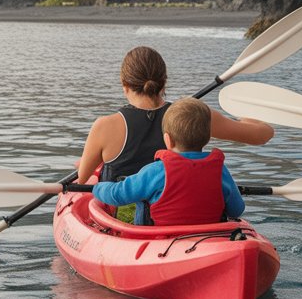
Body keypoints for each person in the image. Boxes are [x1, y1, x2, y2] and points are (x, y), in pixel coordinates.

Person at [76, 45, 274, 184]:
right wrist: (248, 118)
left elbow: (82, 179)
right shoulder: (193, 114)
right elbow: (263, 135)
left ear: (124, 85)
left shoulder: (105, 126)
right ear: (164, 82)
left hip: (127, 224)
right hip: (183, 217)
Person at [91, 97, 245, 227]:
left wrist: (97, 188)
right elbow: (237, 210)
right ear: (207, 138)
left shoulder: (155, 171)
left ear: (167, 140)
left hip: (160, 241)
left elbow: (118, 195)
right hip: (206, 238)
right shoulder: (220, 171)